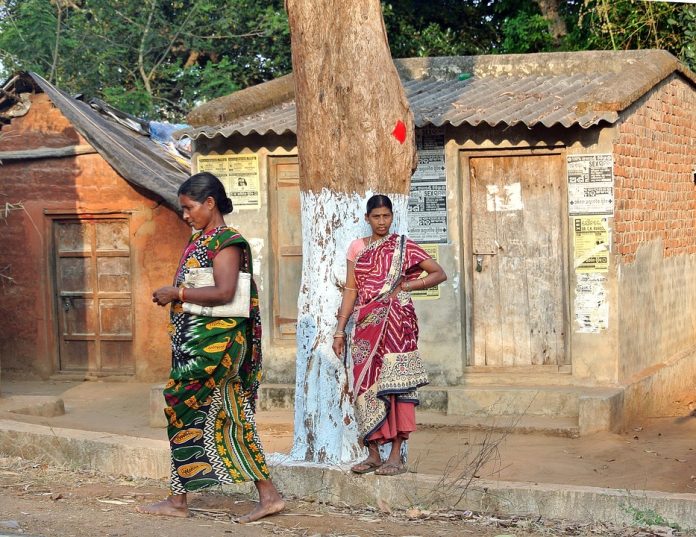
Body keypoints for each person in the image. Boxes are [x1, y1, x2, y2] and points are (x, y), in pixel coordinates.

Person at [137, 172, 284, 521]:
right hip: (198, 348)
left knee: (198, 412)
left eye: (188, 208)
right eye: (182, 209)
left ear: (209, 203)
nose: (185, 215)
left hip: (216, 352)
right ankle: (259, 495)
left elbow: (225, 292)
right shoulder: (201, 239)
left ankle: (188, 500)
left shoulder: (226, 241)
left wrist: (177, 293)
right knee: (213, 415)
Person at [332, 194, 447, 476]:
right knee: (363, 386)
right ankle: (373, 453)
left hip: (397, 324)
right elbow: (351, 289)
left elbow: (438, 273)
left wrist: (406, 286)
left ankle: (395, 456)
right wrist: (340, 330)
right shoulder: (357, 248)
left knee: (397, 386)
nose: (382, 222)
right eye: (376, 217)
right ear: (367, 218)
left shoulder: (403, 246)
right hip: (365, 326)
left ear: (392, 217)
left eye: (386, 216)